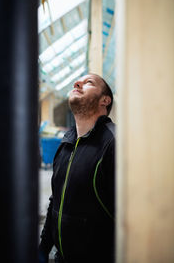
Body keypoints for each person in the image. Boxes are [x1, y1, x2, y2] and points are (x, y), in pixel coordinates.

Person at [39, 73, 115, 263]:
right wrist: (43, 247)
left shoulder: (114, 143)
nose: (77, 83)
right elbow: (55, 200)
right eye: (78, 81)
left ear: (105, 100)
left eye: (88, 82)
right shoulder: (66, 144)